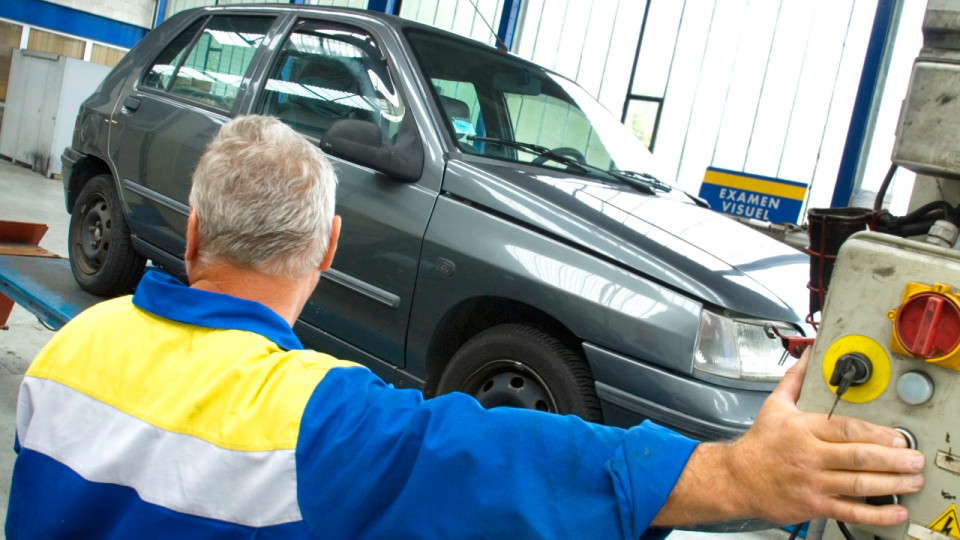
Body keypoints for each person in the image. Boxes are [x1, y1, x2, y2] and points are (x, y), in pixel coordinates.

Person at [6, 115, 924, 540]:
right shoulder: (310, 421)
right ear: (329, 248)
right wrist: (738, 474)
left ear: (195, 232)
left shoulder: (73, 350)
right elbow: (503, 457)